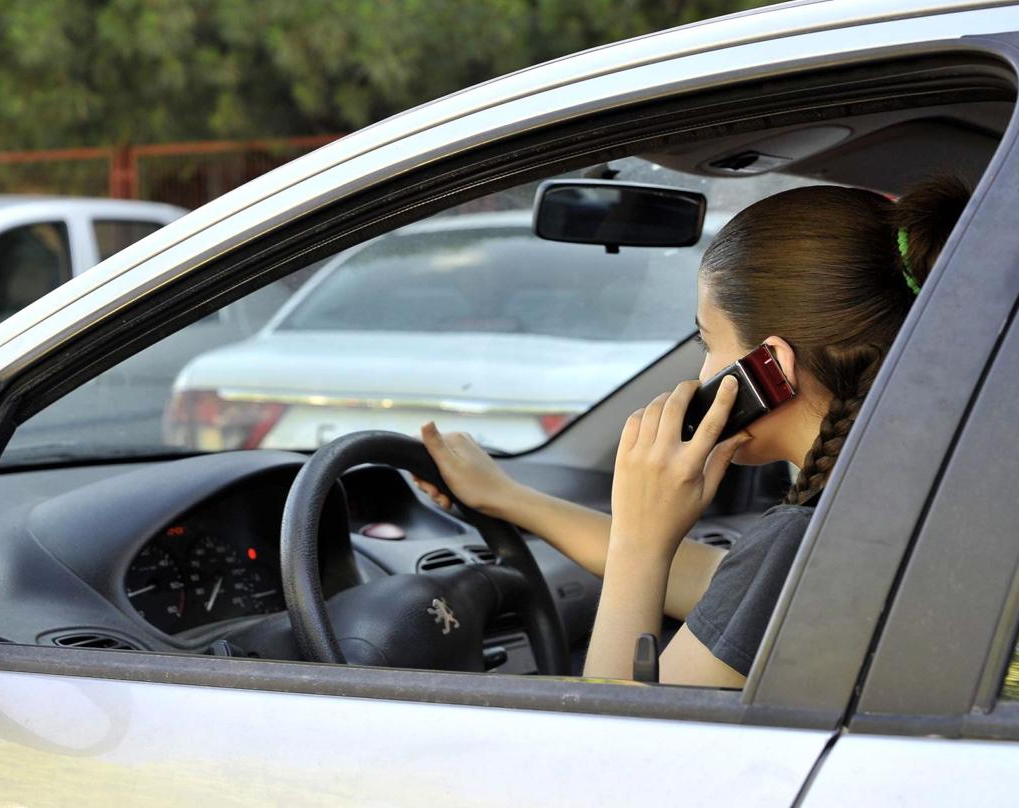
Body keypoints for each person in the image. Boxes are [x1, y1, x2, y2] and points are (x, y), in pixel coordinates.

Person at [414, 175, 972, 687]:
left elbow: (613, 764)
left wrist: (641, 540)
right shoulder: (902, 510)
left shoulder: (808, 539)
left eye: (707, 343)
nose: (701, 375)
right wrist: (506, 498)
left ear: (770, 366)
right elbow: (724, 582)